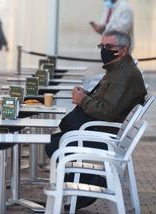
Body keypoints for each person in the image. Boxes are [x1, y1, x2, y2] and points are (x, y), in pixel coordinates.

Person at [45, 30, 147, 210]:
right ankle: (81, 188)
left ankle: (89, 184)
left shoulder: (124, 75)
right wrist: (87, 96)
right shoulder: (118, 69)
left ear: (123, 50)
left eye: (109, 47)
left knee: (55, 145)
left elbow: (108, 111)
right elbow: (107, 103)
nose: (104, 50)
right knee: (55, 142)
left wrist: (83, 100)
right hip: (99, 131)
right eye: (102, 46)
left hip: (104, 136)